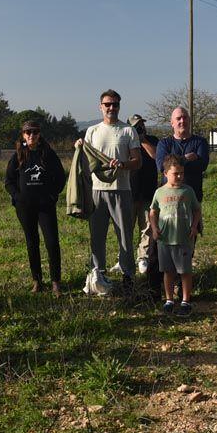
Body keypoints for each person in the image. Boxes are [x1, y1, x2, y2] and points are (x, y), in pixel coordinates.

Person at [75, 90, 141, 294]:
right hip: (97, 191)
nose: (111, 108)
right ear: (100, 106)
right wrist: (79, 148)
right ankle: (98, 275)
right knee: (97, 236)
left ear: (119, 106)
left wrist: (122, 164)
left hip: (121, 190)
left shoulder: (128, 131)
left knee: (124, 237)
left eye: (115, 104)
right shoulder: (92, 131)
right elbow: (87, 161)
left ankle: (128, 275)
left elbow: (137, 162)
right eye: (107, 104)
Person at [5, 120, 65, 295]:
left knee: (52, 242)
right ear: (23, 135)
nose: (32, 135)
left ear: (39, 134)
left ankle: (55, 282)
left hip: (45, 207)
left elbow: (60, 178)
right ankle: (37, 281)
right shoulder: (17, 156)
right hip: (25, 208)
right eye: (28, 132)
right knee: (32, 243)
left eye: (35, 132)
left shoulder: (48, 154)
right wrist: (18, 198)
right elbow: (9, 182)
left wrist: (52, 196)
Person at [149, 155, 201, 316]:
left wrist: (194, 227)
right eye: (175, 173)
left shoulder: (188, 191)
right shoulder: (159, 192)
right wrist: (154, 228)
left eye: (181, 173)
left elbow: (196, 209)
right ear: (165, 173)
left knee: (185, 271)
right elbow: (153, 211)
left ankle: (185, 301)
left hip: (183, 238)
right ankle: (169, 300)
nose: (179, 176)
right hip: (165, 239)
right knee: (168, 271)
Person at [155, 106, 210, 202]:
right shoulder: (164, 143)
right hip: (168, 197)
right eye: (178, 118)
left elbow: (202, 165)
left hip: (193, 196)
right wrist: (185, 158)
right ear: (172, 123)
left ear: (189, 120)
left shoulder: (200, 142)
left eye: (185, 118)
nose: (182, 121)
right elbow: (162, 166)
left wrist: (173, 164)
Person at [127, 114, 159, 275]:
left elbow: (156, 156)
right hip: (130, 191)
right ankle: (124, 259)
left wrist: (142, 139)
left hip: (148, 191)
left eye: (142, 125)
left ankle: (143, 257)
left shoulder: (152, 139)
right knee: (127, 227)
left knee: (146, 227)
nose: (141, 128)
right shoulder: (125, 141)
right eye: (136, 126)